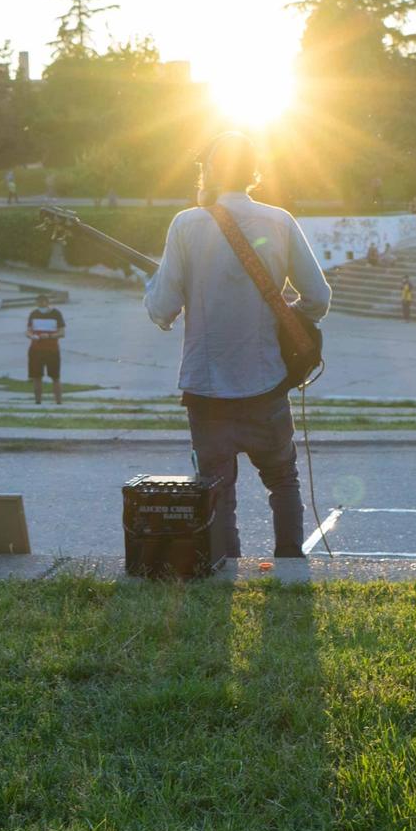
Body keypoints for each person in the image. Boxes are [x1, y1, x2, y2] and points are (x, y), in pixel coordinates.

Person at [144, 132, 331, 560]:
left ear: (207, 171)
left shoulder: (186, 224)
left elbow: (162, 309)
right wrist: (287, 321)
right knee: (283, 479)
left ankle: (227, 570)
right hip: (267, 382)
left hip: (206, 392)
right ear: (253, 171)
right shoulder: (280, 221)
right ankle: (289, 567)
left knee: (217, 489)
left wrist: (152, 286)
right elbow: (318, 297)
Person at [26, 292, 65, 404]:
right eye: (39, 302)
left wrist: (50, 336)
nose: (41, 304)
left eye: (43, 302)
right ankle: (38, 402)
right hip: (35, 350)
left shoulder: (56, 314)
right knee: (36, 377)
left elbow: (62, 333)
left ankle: (59, 403)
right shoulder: (33, 314)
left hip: (52, 349)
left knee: (55, 377)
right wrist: (30, 335)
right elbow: (29, 330)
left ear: (48, 302)